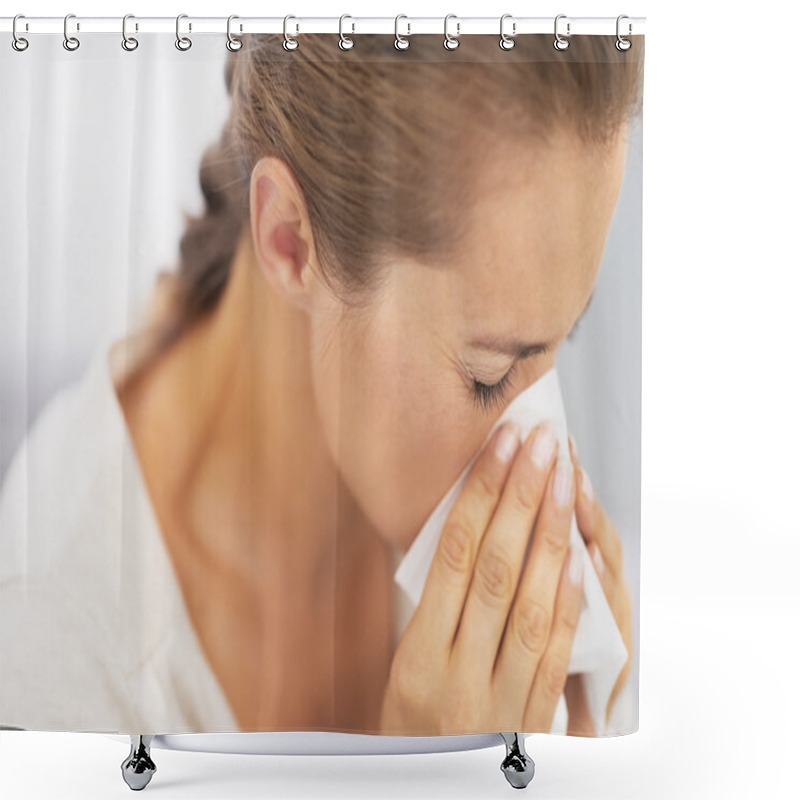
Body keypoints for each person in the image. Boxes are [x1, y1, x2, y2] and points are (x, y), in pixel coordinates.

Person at [2, 32, 643, 736]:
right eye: (490, 379)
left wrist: (575, 757)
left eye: (562, 340)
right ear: (291, 243)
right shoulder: (53, 667)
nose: (544, 452)